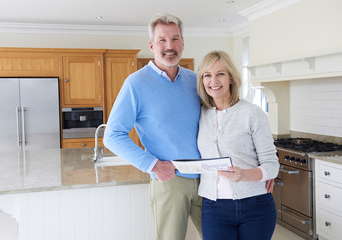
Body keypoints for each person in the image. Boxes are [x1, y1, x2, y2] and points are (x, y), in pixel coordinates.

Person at [103, 13, 202, 240]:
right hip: (171, 180)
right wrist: (153, 165)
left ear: (183, 43)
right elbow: (112, 135)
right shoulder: (136, 83)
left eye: (175, 39)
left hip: (207, 178)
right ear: (151, 45)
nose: (170, 46)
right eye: (162, 40)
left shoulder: (195, 80)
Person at [196, 50, 280, 240]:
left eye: (220, 74)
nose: (213, 81)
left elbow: (272, 165)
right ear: (202, 81)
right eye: (207, 75)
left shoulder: (252, 113)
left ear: (231, 78)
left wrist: (245, 175)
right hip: (214, 208)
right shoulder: (198, 115)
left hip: (256, 205)